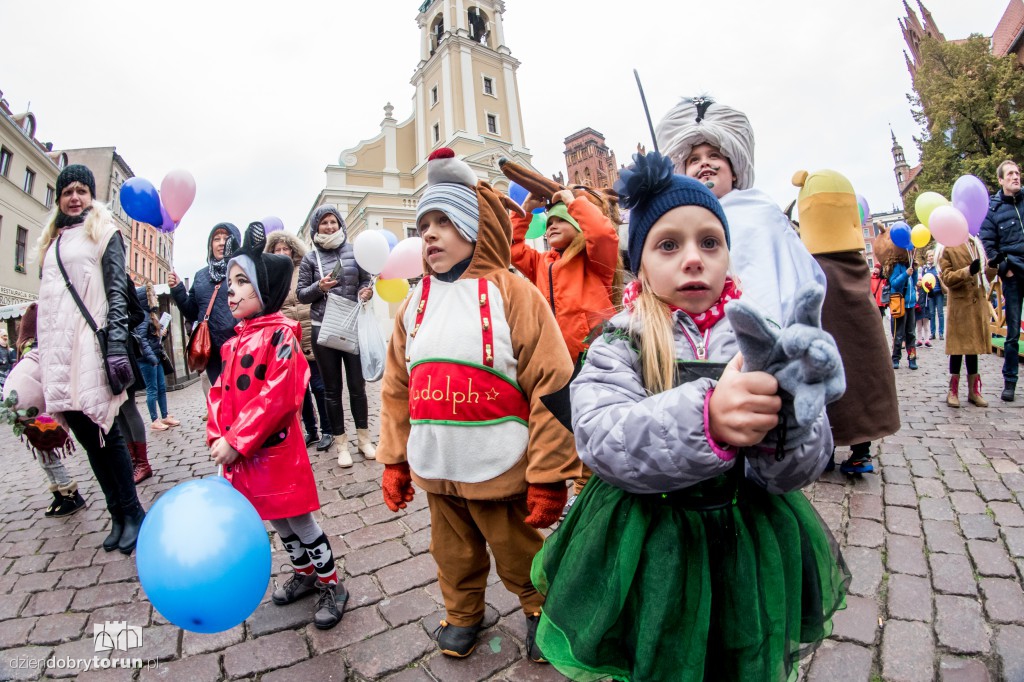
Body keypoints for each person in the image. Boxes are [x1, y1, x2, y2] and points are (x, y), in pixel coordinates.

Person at [531, 152, 848, 681]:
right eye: (669, 244)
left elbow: (796, 471)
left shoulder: (761, 339)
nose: (694, 258)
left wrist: (791, 420)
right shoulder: (620, 342)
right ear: (640, 261)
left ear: (728, 254)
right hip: (652, 543)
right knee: (660, 651)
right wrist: (708, 419)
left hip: (744, 537)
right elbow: (601, 437)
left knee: (737, 650)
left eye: (710, 241)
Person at [376, 149, 580, 661]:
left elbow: (552, 382)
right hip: (438, 463)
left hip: (502, 466)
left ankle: (541, 609)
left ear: (473, 227)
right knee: (452, 553)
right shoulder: (414, 303)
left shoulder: (513, 293)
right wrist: (395, 458)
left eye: (444, 221)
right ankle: (463, 612)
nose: (429, 234)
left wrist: (549, 472)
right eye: (424, 224)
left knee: (518, 552)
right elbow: (397, 387)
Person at [209, 222, 347, 630]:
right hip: (248, 456)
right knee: (275, 518)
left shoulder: (281, 335)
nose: (230, 292)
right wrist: (219, 434)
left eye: (240, 282)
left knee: (299, 518)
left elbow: (278, 395)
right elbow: (220, 394)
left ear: (263, 290)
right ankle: (305, 574)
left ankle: (331, 583)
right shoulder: (233, 342)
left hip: (277, 451)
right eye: (230, 283)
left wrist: (237, 439)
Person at [35, 164, 145, 554]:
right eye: (68, 191)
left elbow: (118, 292)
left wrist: (115, 344)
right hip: (58, 352)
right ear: (59, 198)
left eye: (82, 190)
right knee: (86, 436)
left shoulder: (103, 230)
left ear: (91, 195)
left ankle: (134, 512)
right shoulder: (52, 241)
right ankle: (116, 513)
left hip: (90, 345)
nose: (75, 197)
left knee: (105, 430)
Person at [656, 96, 826, 325]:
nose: (704, 163)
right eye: (694, 160)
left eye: (714, 156)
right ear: (684, 175)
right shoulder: (673, 220)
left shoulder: (761, 210)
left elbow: (801, 276)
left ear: (734, 171)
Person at [792, 169, 900, 476]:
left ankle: (831, 452)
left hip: (832, 331)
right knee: (859, 382)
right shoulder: (855, 261)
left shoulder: (811, 264)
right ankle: (856, 450)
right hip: (857, 330)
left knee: (833, 385)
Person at [295, 205, 374, 467]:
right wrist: (320, 286)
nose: (329, 227)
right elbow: (301, 295)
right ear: (316, 227)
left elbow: (365, 279)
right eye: (324, 223)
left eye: (333, 222)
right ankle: (341, 444)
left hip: (352, 323)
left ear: (340, 223)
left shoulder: (354, 251)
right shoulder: (310, 258)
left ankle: (364, 439)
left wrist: (365, 291)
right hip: (323, 326)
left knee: (357, 386)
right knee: (332, 390)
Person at [3, 303, 86, 517]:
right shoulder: (31, 355)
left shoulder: (41, 356)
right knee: (42, 454)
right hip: (30, 416)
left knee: (48, 452)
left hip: (44, 415)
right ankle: (59, 492)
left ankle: (70, 492)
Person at [265, 231, 331, 448]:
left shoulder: (304, 268)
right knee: (299, 390)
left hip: (310, 331)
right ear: (272, 252)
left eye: (286, 248)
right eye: (278, 249)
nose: (282, 253)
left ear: (293, 250)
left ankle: (327, 431)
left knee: (319, 386)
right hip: (287, 338)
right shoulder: (271, 275)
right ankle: (310, 431)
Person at [168, 222, 242, 387]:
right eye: (216, 239)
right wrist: (178, 289)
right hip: (212, 349)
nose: (221, 242)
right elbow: (192, 312)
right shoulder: (201, 275)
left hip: (240, 346)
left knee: (242, 396)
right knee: (221, 396)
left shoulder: (244, 269)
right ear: (211, 245)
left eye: (226, 238)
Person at [980, 159, 1024, 401]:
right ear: (1000, 180)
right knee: (1013, 332)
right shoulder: (993, 210)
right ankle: (1010, 381)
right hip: (1014, 274)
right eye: (1010, 174)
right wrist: (1004, 268)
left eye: (1017, 173)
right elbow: (988, 244)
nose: (1015, 177)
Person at [939, 236, 993, 407]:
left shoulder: (975, 245)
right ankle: (953, 390)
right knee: (957, 349)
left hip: (975, 304)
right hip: (960, 306)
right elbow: (947, 278)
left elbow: (986, 277)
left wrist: (994, 266)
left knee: (973, 349)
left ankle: (973, 390)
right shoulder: (948, 247)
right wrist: (967, 270)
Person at [135, 285, 179, 434]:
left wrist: (163, 334)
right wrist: (152, 358)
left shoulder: (150, 315)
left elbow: (153, 339)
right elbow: (142, 340)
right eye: (152, 295)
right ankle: (155, 420)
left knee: (161, 387)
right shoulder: (143, 316)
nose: (155, 298)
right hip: (148, 360)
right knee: (152, 390)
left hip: (155, 358)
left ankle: (165, 416)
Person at [887, 240, 919, 370]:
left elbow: (914, 282)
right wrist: (906, 274)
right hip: (900, 304)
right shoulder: (897, 266)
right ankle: (895, 358)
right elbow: (894, 283)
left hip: (910, 304)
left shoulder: (912, 266)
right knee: (898, 333)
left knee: (911, 333)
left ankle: (912, 359)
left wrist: (914, 272)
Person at [922, 250, 945, 340]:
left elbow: (943, 278)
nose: (931, 257)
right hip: (930, 294)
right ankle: (932, 333)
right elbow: (923, 281)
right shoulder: (925, 269)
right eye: (929, 256)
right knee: (931, 314)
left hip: (939, 292)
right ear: (927, 258)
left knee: (940, 313)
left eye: (932, 256)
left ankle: (941, 333)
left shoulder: (938, 267)